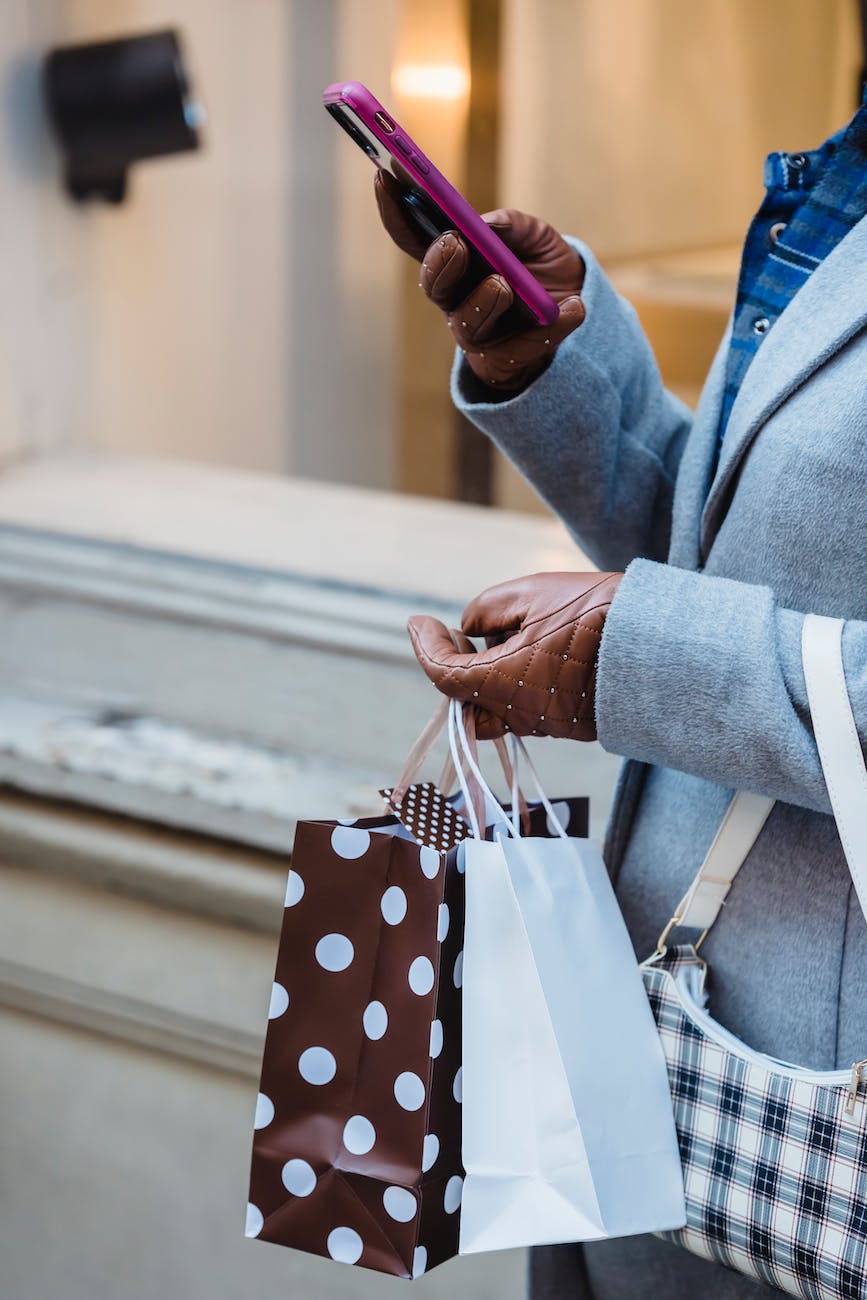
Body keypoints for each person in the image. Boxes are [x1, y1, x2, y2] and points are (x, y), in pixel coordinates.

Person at [374, 88, 867, 1299]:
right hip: (630, 1069)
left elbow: (690, 625)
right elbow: (734, 551)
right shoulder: (839, 184)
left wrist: (628, 654)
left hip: (809, 1146)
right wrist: (552, 362)